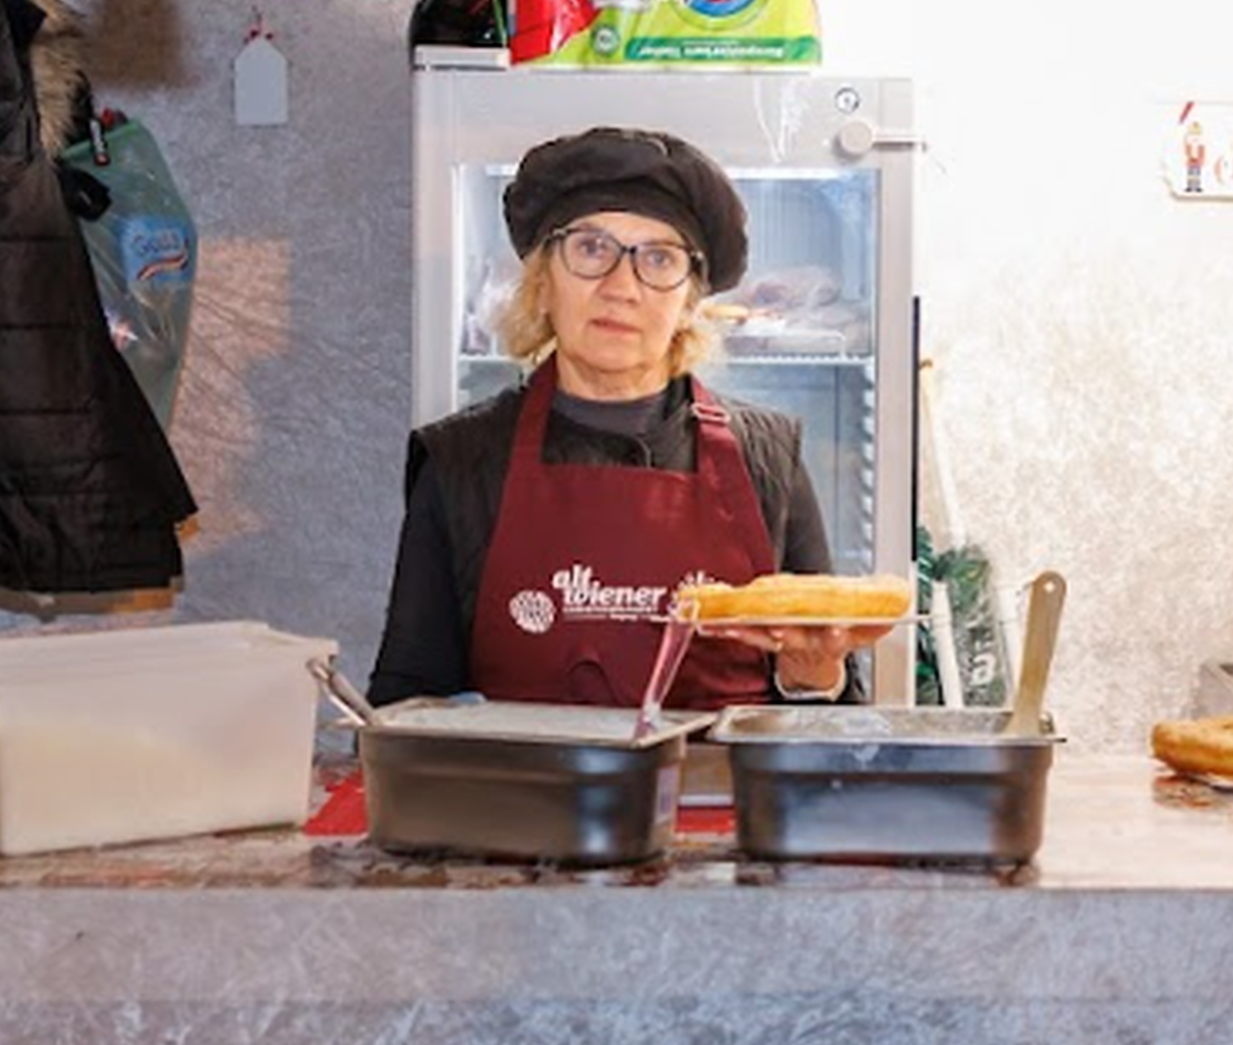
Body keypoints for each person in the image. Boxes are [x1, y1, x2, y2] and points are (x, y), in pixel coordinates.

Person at [369, 127, 870, 708]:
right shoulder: (461, 462)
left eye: (659, 258)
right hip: (523, 774)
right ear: (542, 282)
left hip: (717, 774)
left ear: (689, 302)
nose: (621, 287)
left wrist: (812, 675)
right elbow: (406, 706)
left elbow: (834, 718)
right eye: (591, 249)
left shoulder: (768, 456)